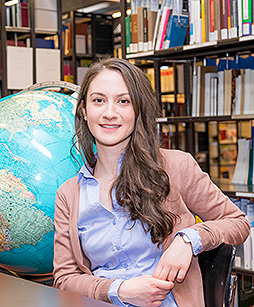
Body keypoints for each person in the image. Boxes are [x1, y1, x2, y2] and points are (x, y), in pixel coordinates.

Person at [52, 58, 250, 307]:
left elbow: (238, 224)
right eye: (98, 100)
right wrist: (119, 290)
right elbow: (64, 279)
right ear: (84, 110)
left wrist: (188, 239)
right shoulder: (69, 194)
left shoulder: (176, 167)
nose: (109, 113)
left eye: (123, 101)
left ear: (138, 110)